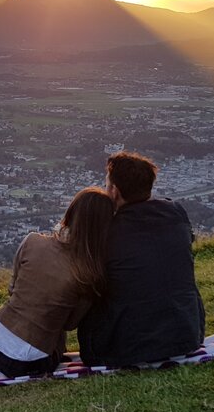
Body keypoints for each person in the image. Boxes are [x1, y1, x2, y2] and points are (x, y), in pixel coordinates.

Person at [0, 187, 115, 377]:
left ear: (71, 212)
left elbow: (12, 289)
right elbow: (70, 324)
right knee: (56, 332)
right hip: (30, 364)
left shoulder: (32, 241)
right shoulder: (88, 275)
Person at [78, 151, 206, 367]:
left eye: (107, 185)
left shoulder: (106, 231)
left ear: (115, 191)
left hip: (124, 347)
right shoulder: (175, 213)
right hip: (186, 334)